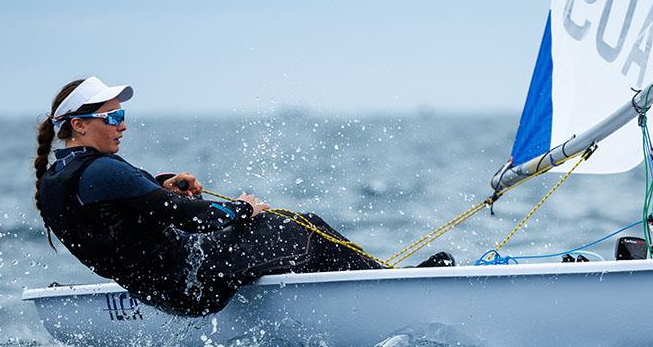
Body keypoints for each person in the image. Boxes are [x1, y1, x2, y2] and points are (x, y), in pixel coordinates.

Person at [34, 77, 454, 316]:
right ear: (80, 125)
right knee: (298, 223)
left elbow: (122, 215)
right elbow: (191, 217)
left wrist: (161, 187)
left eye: (123, 116)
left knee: (290, 241)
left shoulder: (55, 179)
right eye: (114, 117)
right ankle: (389, 290)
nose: (123, 126)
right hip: (193, 281)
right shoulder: (104, 170)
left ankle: (357, 295)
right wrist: (243, 208)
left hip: (165, 289)